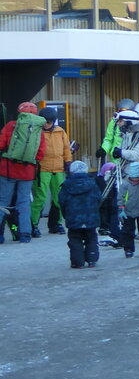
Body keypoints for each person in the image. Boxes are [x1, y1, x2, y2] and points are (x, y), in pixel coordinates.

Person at [0, 103, 47, 244]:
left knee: (3, 202)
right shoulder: (39, 130)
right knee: (24, 203)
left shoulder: (10, 126)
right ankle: (25, 234)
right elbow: (41, 153)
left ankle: (0, 235)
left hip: (7, 170)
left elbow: (1, 144)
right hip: (27, 172)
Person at [113, 107, 139, 257]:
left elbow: (138, 154)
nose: (118, 124)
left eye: (121, 121)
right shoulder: (127, 135)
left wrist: (121, 152)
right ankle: (128, 247)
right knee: (128, 222)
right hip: (127, 175)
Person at [31, 107, 72, 237]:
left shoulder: (60, 132)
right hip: (42, 169)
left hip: (58, 169)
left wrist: (68, 162)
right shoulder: (37, 131)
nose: (46, 124)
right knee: (40, 198)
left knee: (59, 199)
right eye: (45, 122)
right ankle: (33, 225)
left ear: (53, 121)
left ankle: (56, 224)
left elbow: (66, 148)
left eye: (49, 122)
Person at [60, 160, 101, 268]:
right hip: (90, 218)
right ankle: (92, 259)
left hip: (74, 218)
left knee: (75, 240)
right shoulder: (92, 183)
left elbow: (61, 201)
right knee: (91, 238)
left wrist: (66, 215)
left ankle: (77, 262)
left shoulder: (66, 185)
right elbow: (98, 199)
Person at [98, 98, 135, 164]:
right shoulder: (114, 123)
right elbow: (108, 140)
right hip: (115, 161)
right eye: (120, 111)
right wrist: (104, 149)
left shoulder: (136, 126)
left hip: (130, 163)